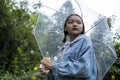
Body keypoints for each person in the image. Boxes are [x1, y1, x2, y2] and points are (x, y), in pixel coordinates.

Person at [39, 14, 97, 80]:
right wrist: (49, 73)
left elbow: (84, 69)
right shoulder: (64, 48)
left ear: (82, 28)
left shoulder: (85, 41)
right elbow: (60, 75)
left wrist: (53, 66)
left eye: (79, 22)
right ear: (65, 28)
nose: (75, 24)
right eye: (70, 22)